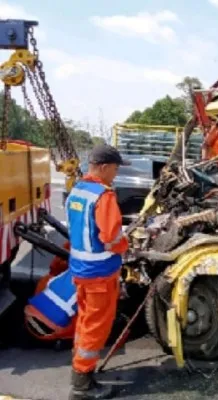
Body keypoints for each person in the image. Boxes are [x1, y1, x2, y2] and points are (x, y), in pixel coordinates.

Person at [66, 145, 129, 400]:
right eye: (114, 169)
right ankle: (82, 385)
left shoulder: (78, 190)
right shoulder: (104, 196)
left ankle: (81, 371)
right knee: (96, 326)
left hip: (81, 271)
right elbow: (111, 238)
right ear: (103, 167)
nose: (115, 174)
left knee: (84, 322)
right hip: (100, 275)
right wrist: (127, 244)